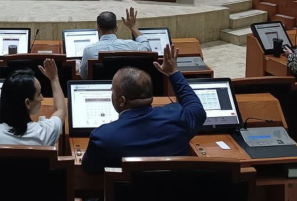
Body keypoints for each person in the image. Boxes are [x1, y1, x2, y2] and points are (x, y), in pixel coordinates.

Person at [82, 45, 206, 174]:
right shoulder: (178, 118)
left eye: (113, 90)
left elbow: (88, 170)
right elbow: (196, 107)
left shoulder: (103, 137)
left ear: (122, 100)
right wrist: (173, 73)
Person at [0, 59, 66, 146]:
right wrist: (54, 78)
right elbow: (61, 110)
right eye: (39, 94)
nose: (42, 98)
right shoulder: (43, 133)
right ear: (27, 103)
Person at [79, 7, 152, 79]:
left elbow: (84, 76)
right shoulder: (132, 46)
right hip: (127, 88)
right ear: (116, 28)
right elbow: (147, 49)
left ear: (98, 29)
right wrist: (132, 27)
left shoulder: (89, 50)